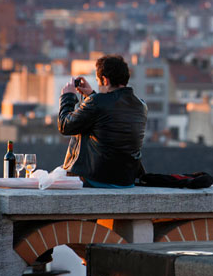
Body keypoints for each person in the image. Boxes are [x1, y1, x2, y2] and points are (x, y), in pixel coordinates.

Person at [58, 55, 147, 188]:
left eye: (98, 81)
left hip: (96, 178)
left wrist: (67, 97)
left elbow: (65, 126)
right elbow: (107, 115)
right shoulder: (141, 106)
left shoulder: (97, 103)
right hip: (126, 180)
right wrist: (91, 96)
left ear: (105, 80)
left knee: (52, 177)